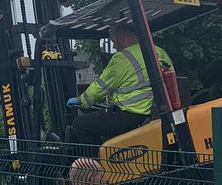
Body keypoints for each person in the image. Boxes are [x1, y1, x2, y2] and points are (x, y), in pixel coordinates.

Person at [65, 23, 174, 153]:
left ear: (121, 38)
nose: (114, 47)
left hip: (131, 115)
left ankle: (94, 163)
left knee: (80, 124)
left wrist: (81, 100)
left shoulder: (123, 57)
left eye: (113, 42)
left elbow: (101, 86)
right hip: (157, 112)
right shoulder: (159, 52)